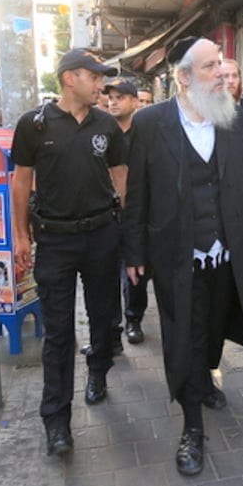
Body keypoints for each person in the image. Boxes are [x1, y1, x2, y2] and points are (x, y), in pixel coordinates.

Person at [121, 36, 243, 476]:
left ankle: (204, 379)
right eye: (210, 67)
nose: (222, 73)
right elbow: (137, 193)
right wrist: (134, 250)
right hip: (174, 254)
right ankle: (191, 426)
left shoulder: (234, 119)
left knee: (214, 323)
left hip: (227, 252)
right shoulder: (150, 123)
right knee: (182, 334)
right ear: (183, 77)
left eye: (222, 65)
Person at [10, 48, 128, 457]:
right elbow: (21, 181)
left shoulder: (107, 125)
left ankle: (98, 372)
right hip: (55, 241)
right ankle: (56, 420)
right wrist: (21, 236)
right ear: (68, 78)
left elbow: (120, 177)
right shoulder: (34, 124)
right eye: (94, 77)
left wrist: (128, 232)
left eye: (103, 78)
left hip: (101, 236)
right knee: (59, 333)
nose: (102, 85)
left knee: (102, 317)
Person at [105, 78, 148, 345]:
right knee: (105, 273)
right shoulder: (101, 131)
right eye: (110, 97)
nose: (113, 101)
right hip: (105, 212)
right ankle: (110, 331)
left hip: (136, 212)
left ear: (135, 102)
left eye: (120, 97)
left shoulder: (145, 134)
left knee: (135, 271)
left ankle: (134, 318)